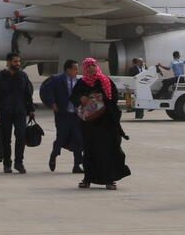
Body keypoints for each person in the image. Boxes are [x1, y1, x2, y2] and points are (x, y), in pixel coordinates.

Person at [71, 58, 130, 190]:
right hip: (89, 125)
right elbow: (74, 97)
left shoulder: (105, 81)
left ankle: (109, 179)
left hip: (106, 123)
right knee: (90, 151)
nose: (91, 68)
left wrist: (103, 98)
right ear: (85, 68)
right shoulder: (82, 82)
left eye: (93, 65)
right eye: (88, 66)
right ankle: (87, 179)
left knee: (108, 150)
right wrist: (82, 98)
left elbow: (113, 97)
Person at [0, 52, 35, 173]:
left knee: (20, 136)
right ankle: (7, 163)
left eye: (19, 61)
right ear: (9, 62)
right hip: (5, 112)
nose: (18, 64)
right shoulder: (0, 77)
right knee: (6, 139)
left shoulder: (23, 76)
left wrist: (31, 109)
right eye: (15, 62)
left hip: (20, 111)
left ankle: (19, 163)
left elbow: (28, 94)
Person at [38, 60, 84, 173]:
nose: (77, 71)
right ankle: (54, 155)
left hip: (75, 115)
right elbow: (45, 90)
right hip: (62, 114)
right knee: (61, 138)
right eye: (75, 69)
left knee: (78, 139)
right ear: (68, 69)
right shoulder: (56, 79)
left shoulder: (79, 81)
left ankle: (77, 165)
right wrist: (52, 103)